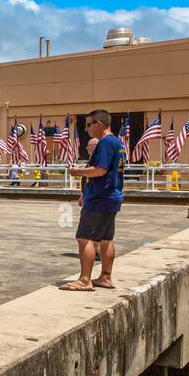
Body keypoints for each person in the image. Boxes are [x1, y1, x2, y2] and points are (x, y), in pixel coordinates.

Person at [62, 110, 125, 292]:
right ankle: (105, 276)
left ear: (99, 123)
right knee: (105, 239)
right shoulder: (117, 142)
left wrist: (78, 171)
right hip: (112, 196)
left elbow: (100, 170)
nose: (86, 128)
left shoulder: (105, 143)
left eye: (88, 124)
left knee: (84, 238)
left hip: (100, 197)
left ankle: (85, 279)